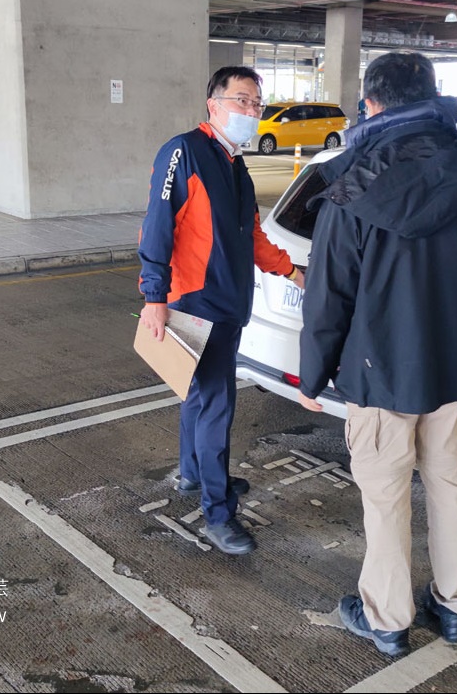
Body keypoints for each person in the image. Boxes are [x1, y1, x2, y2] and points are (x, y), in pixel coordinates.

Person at [297, 52, 457, 657]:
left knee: (386, 497)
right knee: (452, 487)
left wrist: (313, 376)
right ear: (434, 96)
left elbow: (329, 292)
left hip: (378, 373)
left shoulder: (353, 178)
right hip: (455, 368)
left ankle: (388, 620)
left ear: (371, 104)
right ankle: (453, 608)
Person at [137, 65, 305, 556]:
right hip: (194, 303)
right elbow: (157, 226)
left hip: (230, 305)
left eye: (256, 103)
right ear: (214, 104)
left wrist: (289, 270)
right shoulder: (183, 152)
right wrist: (154, 298)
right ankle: (218, 512)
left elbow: (251, 235)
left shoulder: (237, 166)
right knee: (215, 407)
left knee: (198, 398)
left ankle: (194, 474)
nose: (251, 110)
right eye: (241, 100)